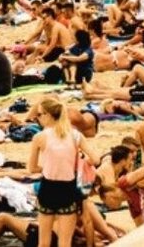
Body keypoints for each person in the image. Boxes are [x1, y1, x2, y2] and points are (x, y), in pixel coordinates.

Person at [28, 98, 84, 247]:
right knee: (65, 243)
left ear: (48, 115)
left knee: (43, 243)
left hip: (48, 188)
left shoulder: (39, 137)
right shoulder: (75, 135)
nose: (37, 118)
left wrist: (47, 167)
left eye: (39, 114)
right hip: (67, 188)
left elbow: (31, 168)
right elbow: (96, 159)